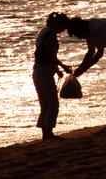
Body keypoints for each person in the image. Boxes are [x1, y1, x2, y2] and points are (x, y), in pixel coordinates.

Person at [52, 13, 106, 132]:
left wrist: (83, 69)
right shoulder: (90, 31)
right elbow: (90, 52)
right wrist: (81, 69)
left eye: (79, 35)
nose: (81, 38)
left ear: (82, 28)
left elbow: (97, 54)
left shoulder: (98, 29)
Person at [32, 12, 71, 140]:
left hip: (38, 71)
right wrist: (62, 67)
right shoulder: (51, 35)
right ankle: (48, 134)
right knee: (52, 104)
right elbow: (50, 55)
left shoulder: (43, 32)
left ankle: (46, 134)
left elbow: (45, 54)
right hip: (44, 72)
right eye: (63, 26)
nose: (64, 29)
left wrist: (57, 69)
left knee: (45, 104)